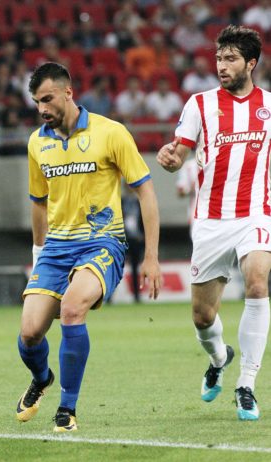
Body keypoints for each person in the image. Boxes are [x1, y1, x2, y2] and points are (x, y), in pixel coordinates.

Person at [16, 62, 162, 432]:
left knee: (71, 308)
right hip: (56, 247)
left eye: (47, 99)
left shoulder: (110, 132)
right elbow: (38, 203)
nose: (42, 108)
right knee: (29, 334)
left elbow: (145, 191)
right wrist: (37, 254)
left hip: (103, 241)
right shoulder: (37, 142)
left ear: (68, 92)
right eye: (37, 102)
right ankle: (42, 378)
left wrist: (151, 256)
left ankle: (67, 408)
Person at [156, 25, 270, 421]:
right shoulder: (200, 104)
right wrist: (171, 159)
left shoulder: (269, 106)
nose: (222, 65)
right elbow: (180, 153)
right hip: (211, 220)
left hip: (256, 213)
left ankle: (246, 385)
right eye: (219, 58)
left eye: (230, 59)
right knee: (203, 316)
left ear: (251, 63)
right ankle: (220, 358)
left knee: (258, 283)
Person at [122, 183, 145, 303]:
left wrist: (142, 235)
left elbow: (143, 219)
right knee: (116, 267)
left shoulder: (138, 202)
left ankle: (136, 296)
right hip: (123, 239)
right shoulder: (121, 202)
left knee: (136, 268)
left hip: (136, 239)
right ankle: (109, 297)